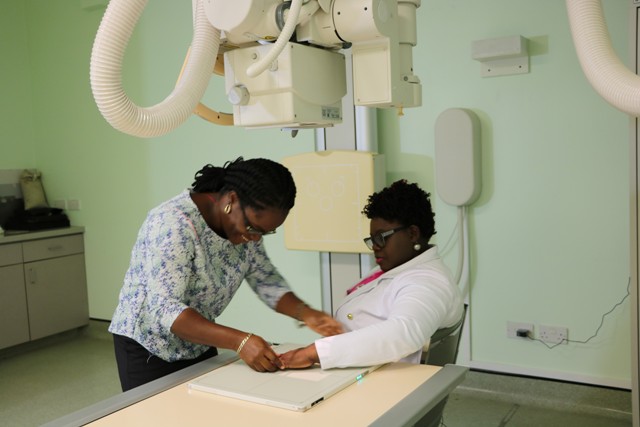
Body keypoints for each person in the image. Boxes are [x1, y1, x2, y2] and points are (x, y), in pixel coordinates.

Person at [109, 157, 343, 391]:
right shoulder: (172, 223)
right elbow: (163, 308)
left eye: (266, 232)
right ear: (231, 199)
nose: (255, 238)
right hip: (148, 345)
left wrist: (306, 313)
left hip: (199, 338)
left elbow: (266, 280)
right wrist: (240, 341)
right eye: (253, 228)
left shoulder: (246, 230)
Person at [278, 179, 464, 369]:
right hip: (359, 369)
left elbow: (402, 334)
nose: (375, 247)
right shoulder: (397, 267)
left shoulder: (428, 282)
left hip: (381, 384)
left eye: (381, 238)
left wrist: (314, 353)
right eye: (372, 239)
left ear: (412, 234)